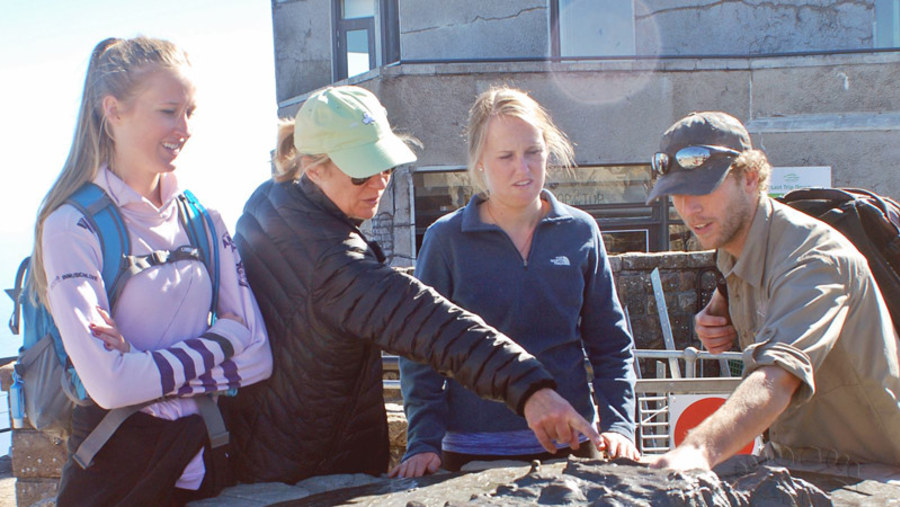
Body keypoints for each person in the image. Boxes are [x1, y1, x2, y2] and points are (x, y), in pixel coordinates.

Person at [221, 85, 602, 485]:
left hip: (262, 455)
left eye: (385, 167)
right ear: (315, 170)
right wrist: (531, 390)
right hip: (314, 475)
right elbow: (427, 324)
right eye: (361, 172)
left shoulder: (268, 204)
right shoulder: (332, 263)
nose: (379, 183)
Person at [31, 37, 273, 505]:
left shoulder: (203, 218)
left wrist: (142, 364)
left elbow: (259, 357)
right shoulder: (71, 226)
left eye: (190, 112)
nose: (184, 128)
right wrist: (223, 340)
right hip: (113, 476)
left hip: (204, 462)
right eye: (168, 111)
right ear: (113, 111)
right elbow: (109, 384)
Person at [392, 87, 639, 478]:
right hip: (471, 455)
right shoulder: (445, 239)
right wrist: (422, 441)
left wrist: (620, 426)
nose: (522, 169)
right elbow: (420, 352)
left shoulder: (580, 231)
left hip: (572, 448)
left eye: (533, 153)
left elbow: (611, 344)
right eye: (506, 156)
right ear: (479, 163)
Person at [645, 111, 900, 471]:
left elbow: (777, 378)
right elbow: (740, 275)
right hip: (793, 460)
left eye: (704, 188)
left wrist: (698, 449)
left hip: (871, 473)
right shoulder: (733, 248)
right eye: (677, 194)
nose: (690, 208)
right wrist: (719, 307)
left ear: (750, 178)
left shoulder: (814, 256)